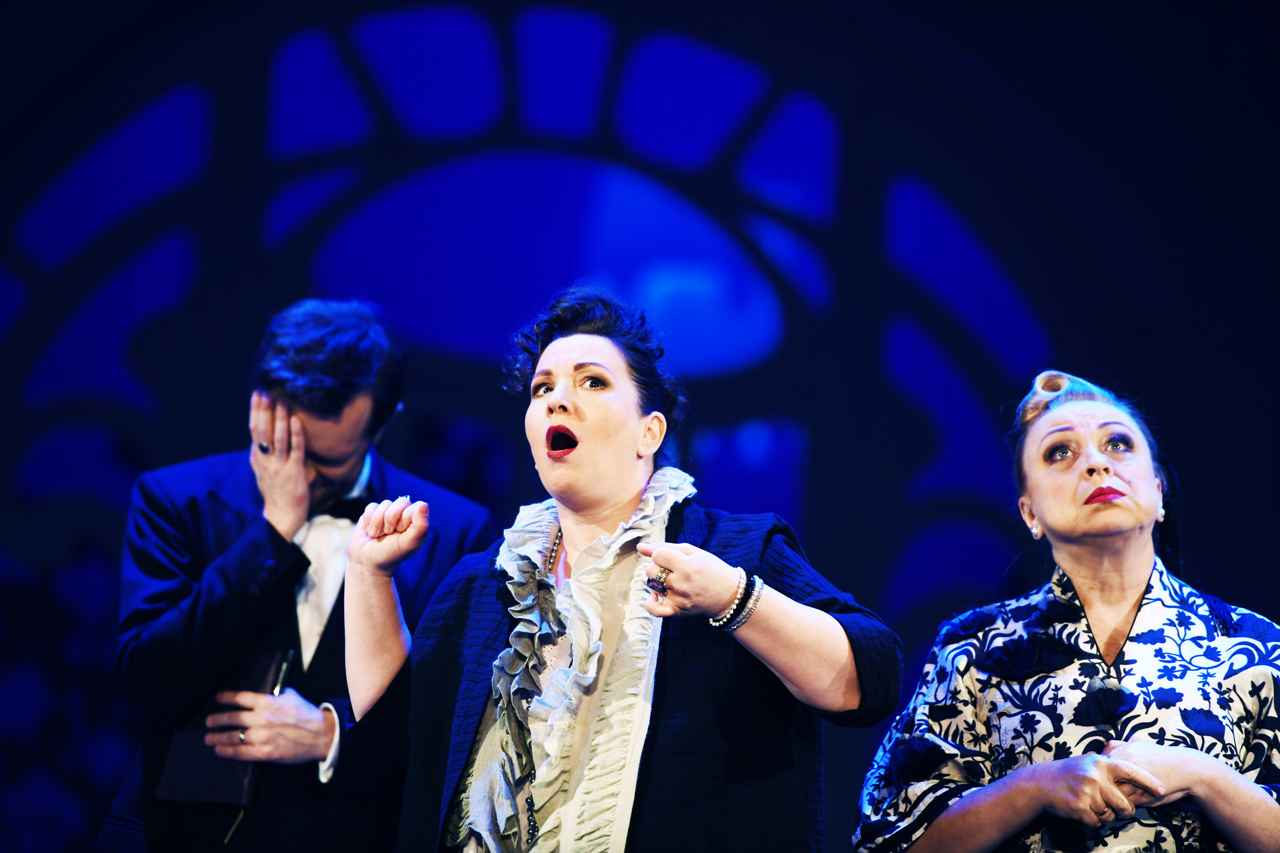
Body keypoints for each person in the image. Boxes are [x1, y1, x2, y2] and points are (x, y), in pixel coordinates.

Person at [340, 290, 903, 851]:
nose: (558, 400)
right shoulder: (484, 584)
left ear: (649, 433)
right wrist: (369, 574)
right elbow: (397, 742)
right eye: (542, 388)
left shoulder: (732, 550)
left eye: (592, 382)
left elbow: (869, 679)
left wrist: (734, 599)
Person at [102, 300, 494, 851]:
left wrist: (331, 736)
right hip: (177, 833)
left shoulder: (453, 530)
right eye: (287, 448)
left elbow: (450, 719)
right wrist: (273, 532)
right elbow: (146, 679)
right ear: (260, 406)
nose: (301, 475)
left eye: (326, 462)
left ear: (382, 423)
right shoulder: (174, 500)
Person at [853, 370, 1280, 852]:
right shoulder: (974, 649)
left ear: (1159, 491)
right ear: (1030, 512)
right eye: (1060, 452)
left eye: (1117, 444)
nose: (1096, 463)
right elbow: (890, 838)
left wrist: (1202, 775)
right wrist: (1033, 788)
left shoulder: (1253, 645)